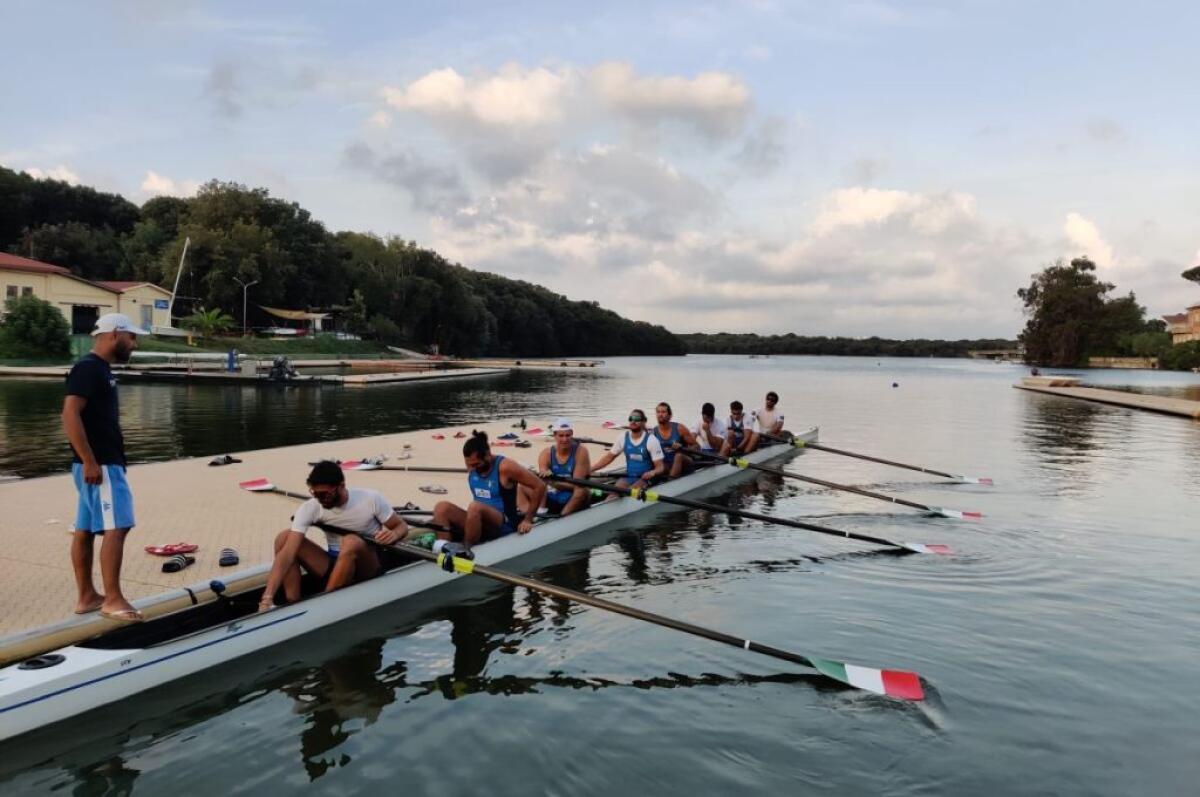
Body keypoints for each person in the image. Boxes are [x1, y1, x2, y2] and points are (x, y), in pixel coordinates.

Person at [61, 313, 148, 622]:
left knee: (85, 529)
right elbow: (70, 414)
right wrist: (89, 460)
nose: (134, 344)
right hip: (100, 466)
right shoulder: (89, 369)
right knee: (117, 527)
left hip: (95, 465)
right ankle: (113, 599)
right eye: (131, 337)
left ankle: (87, 597)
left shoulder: (99, 369)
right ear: (114, 334)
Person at [261, 461, 410, 612]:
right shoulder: (311, 507)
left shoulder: (371, 499)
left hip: (367, 565)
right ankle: (292, 604)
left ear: (341, 485)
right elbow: (287, 554)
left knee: (351, 541)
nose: (320, 499)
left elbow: (401, 526)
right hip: (333, 562)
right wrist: (267, 597)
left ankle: (325, 606)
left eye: (325, 494)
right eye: (315, 493)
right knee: (284, 538)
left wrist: (394, 534)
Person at [431, 431, 547, 550]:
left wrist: (528, 519)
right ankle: (443, 548)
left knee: (474, 507)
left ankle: (465, 550)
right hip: (478, 519)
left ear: (487, 454)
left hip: (503, 523)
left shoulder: (505, 467)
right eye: (469, 464)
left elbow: (540, 486)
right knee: (441, 507)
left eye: (476, 464)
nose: (472, 468)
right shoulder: (473, 464)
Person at [589, 408, 665, 490]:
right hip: (629, 476)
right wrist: (590, 469)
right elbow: (608, 458)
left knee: (630, 492)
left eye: (637, 419)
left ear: (643, 422)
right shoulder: (623, 437)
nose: (633, 421)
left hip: (646, 478)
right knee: (613, 494)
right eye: (631, 419)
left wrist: (652, 473)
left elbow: (660, 468)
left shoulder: (651, 440)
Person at [531, 418, 592, 516]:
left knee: (582, 490)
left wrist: (552, 482)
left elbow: (577, 485)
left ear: (572, 434)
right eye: (561, 436)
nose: (565, 439)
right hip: (554, 495)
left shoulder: (581, 452)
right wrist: (544, 474)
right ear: (554, 435)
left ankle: (561, 518)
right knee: (522, 486)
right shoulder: (545, 454)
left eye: (568, 435)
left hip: (575, 497)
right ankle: (535, 513)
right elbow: (542, 476)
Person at [651, 401, 698, 478]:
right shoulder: (653, 432)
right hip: (666, 465)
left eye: (663, 412)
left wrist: (682, 449)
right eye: (658, 412)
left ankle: (671, 482)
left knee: (678, 456)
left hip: (684, 463)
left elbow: (696, 446)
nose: (660, 414)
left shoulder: (680, 428)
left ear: (670, 415)